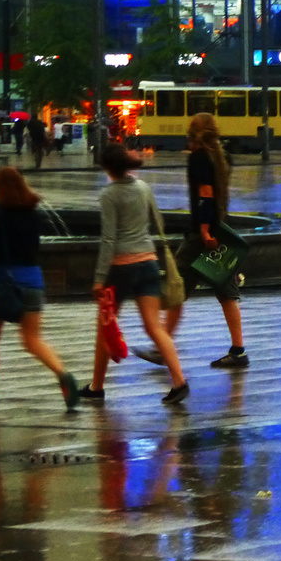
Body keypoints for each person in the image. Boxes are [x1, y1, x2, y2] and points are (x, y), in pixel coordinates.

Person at [137, 114, 248, 370]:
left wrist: (205, 231)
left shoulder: (199, 158)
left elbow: (205, 196)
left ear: (193, 135)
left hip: (202, 236)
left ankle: (162, 348)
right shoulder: (222, 156)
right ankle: (238, 350)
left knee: (177, 288)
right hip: (220, 231)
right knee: (226, 292)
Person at [84, 144, 189, 406]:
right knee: (154, 327)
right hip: (148, 263)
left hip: (120, 267)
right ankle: (179, 381)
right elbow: (157, 222)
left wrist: (99, 278)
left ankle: (97, 387)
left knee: (106, 326)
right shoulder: (143, 187)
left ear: (108, 168)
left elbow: (109, 239)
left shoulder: (109, 194)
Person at [0, 167, 79, 411]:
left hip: (3, 282)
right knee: (33, 340)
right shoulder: (32, 211)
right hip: (33, 281)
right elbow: (34, 247)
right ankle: (62, 374)